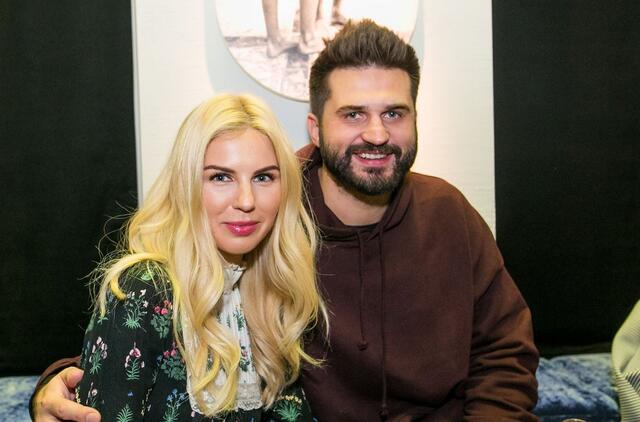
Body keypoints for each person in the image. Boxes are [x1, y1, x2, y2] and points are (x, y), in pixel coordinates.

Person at [32, 20, 539, 421]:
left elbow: (505, 353)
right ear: (315, 128)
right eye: (354, 114)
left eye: (394, 113)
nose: (377, 134)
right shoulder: (272, 213)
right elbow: (163, 301)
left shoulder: (449, 214)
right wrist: (56, 384)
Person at [33, 93, 326, 421]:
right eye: (220, 177)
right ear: (186, 184)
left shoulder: (266, 292)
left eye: (263, 177)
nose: (246, 200)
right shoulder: (144, 289)